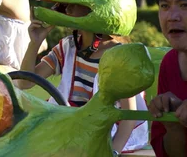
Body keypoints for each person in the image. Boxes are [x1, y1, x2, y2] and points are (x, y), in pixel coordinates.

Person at [19, 10, 146, 154]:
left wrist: (112, 152)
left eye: (75, 6)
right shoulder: (67, 47)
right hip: (69, 130)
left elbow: (128, 116)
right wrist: (35, 43)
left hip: (106, 134)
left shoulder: (119, 56)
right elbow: (25, 83)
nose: (68, 10)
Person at [149, 0, 187, 157]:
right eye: (165, 6)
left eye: (184, 5)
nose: (172, 16)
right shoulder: (169, 63)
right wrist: (173, 126)